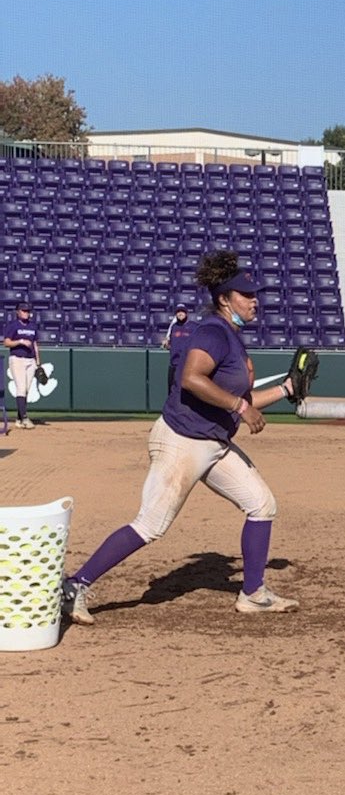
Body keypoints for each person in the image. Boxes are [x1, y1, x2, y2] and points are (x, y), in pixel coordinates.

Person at [62, 249, 299, 626]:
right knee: (150, 525)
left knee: (262, 505)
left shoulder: (232, 337)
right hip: (182, 440)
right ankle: (75, 586)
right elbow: (191, 379)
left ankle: (253, 594)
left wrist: (287, 389)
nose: (255, 301)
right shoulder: (213, 331)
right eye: (246, 295)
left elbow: (240, 399)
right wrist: (241, 408)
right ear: (225, 299)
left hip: (214, 444)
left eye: (256, 295)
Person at [3, 300, 40, 429]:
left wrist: (38, 361)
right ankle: (24, 418)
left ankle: (19, 419)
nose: (26, 313)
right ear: (18, 312)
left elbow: (35, 343)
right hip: (17, 359)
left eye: (28, 311)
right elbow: (6, 343)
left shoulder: (33, 326)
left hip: (30, 360)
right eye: (24, 311)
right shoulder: (13, 325)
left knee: (27, 390)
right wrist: (20, 341)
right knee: (21, 388)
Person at [162, 303, 194, 393]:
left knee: (185, 391)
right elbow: (170, 344)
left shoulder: (193, 326)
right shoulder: (174, 327)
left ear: (186, 313)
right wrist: (166, 344)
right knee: (171, 391)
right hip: (174, 364)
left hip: (186, 364)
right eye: (178, 312)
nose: (180, 313)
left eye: (182, 311)